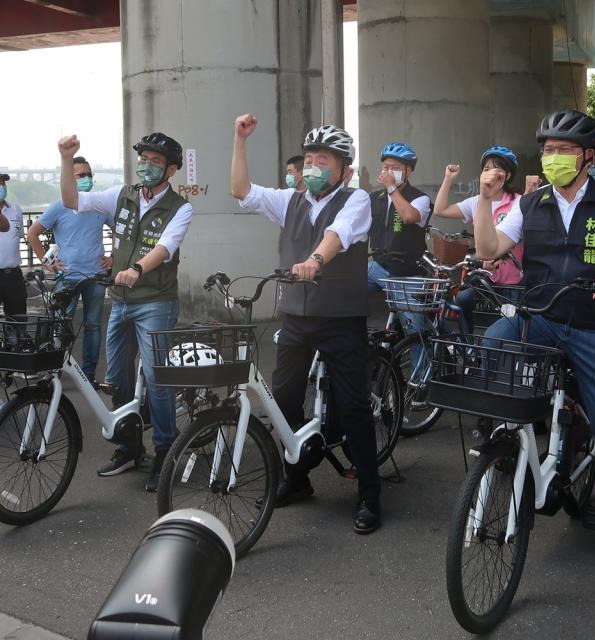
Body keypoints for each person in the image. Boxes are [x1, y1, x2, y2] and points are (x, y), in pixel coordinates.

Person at [474, 109, 595, 571]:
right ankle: (499, 430)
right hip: (541, 316)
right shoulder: (530, 205)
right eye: (548, 150)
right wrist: (482, 198)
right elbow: (490, 249)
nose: (553, 157)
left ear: (587, 157)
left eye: (563, 151)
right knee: (493, 341)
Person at [231, 114, 382, 534]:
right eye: (310, 158)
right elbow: (241, 191)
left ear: (344, 170)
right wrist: (239, 140)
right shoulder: (291, 200)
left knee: (353, 406)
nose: (314, 167)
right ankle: (297, 478)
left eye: (324, 161)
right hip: (296, 316)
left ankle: (370, 493)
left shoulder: (356, 200)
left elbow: (337, 234)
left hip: (339, 318)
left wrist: (314, 261)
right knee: (282, 399)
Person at [57, 132, 194, 492]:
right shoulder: (122, 194)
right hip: (120, 300)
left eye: (156, 162)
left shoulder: (180, 207)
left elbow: (165, 248)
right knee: (117, 377)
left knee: (156, 379)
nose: (147, 166)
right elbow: (72, 200)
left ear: (172, 170)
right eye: (144, 159)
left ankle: (166, 450)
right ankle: (129, 447)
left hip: (156, 302)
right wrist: (66, 159)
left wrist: (135, 268)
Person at [28, 157, 113, 381]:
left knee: (93, 326)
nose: (86, 179)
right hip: (66, 276)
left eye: (88, 174)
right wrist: (47, 262)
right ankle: (53, 372)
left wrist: (113, 257)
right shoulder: (59, 206)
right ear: (69, 179)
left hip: (96, 275)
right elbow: (32, 234)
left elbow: (121, 230)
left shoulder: (99, 204)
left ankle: (89, 375)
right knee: (60, 325)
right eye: (80, 175)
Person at [366, 141, 433, 398]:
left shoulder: (421, 198)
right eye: (386, 166)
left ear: (409, 171)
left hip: (407, 273)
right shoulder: (376, 198)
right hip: (377, 266)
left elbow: (408, 217)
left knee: (415, 327)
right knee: (343, 294)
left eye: (395, 167)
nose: (389, 170)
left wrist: (393, 189)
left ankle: (421, 384)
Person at [434, 145, 524, 332]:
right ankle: (468, 346)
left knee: (510, 323)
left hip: (511, 278)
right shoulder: (476, 201)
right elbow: (440, 209)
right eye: (486, 169)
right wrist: (448, 179)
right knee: (462, 299)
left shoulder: (519, 202)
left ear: (507, 176)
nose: (490, 173)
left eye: (496, 168)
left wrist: (498, 257)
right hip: (484, 276)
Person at [0, 171, 26, 316]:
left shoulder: (15, 209)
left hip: (14, 276)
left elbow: (19, 236)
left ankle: (14, 338)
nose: (1, 186)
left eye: (3, 183)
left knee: (18, 322)